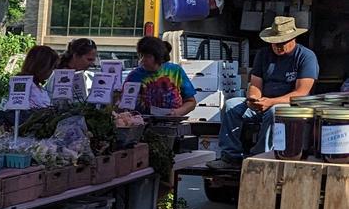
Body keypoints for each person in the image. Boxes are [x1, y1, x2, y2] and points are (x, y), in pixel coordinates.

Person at [218, 16, 319, 162]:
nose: (278, 46)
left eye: (282, 42)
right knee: (231, 105)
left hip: (290, 107)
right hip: (264, 101)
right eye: (274, 42)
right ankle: (230, 154)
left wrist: (271, 102)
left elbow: (301, 93)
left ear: (293, 39)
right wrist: (253, 99)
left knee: (275, 111)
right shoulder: (263, 54)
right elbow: (255, 83)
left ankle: (261, 155)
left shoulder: (306, 56)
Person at [124, 37, 197, 119]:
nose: (143, 60)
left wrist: (179, 112)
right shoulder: (134, 76)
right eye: (141, 56)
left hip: (172, 125)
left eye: (148, 56)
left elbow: (191, 102)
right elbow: (124, 105)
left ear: (158, 58)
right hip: (142, 125)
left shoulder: (175, 71)